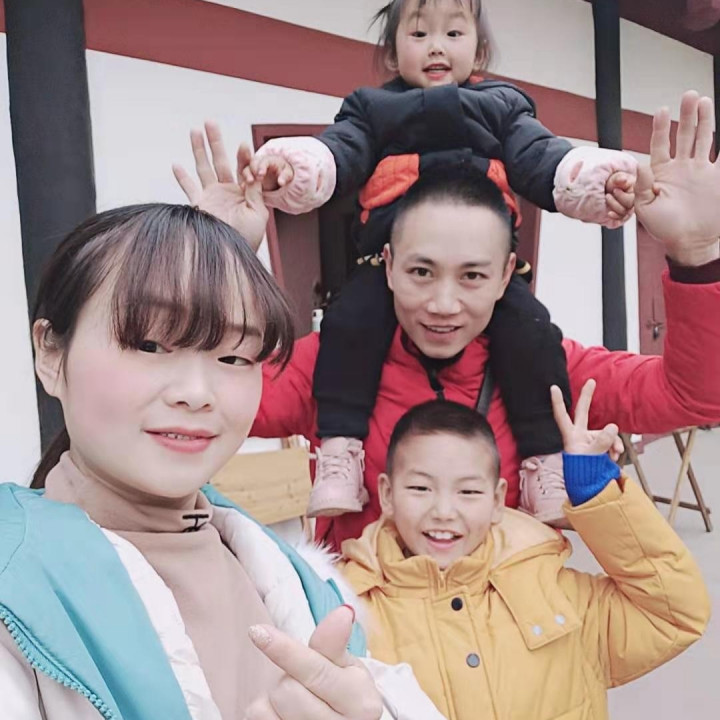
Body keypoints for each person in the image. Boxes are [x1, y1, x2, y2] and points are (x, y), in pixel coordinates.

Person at [0, 189, 444, 719]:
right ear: (51, 354)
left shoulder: (300, 582)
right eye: (149, 345)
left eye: (234, 356)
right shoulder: (17, 599)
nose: (197, 393)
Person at [240, 0, 639, 525]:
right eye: (419, 33)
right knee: (347, 323)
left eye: (453, 33)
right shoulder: (371, 109)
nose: (436, 46)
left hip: (480, 259)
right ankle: (340, 449)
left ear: (480, 50)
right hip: (383, 261)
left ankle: (543, 461)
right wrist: (296, 170)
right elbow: (339, 152)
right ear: (392, 52)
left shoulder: (503, 107)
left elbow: (542, 158)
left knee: (532, 333)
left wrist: (595, 182)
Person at [339, 384, 710, 720]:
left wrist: (597, 491)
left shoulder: (553, 591)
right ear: (387, 494)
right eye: (421, 488)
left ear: (497, 500)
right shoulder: (347, 612)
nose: (444, 511)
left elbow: (674, 613)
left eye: (468, 492)